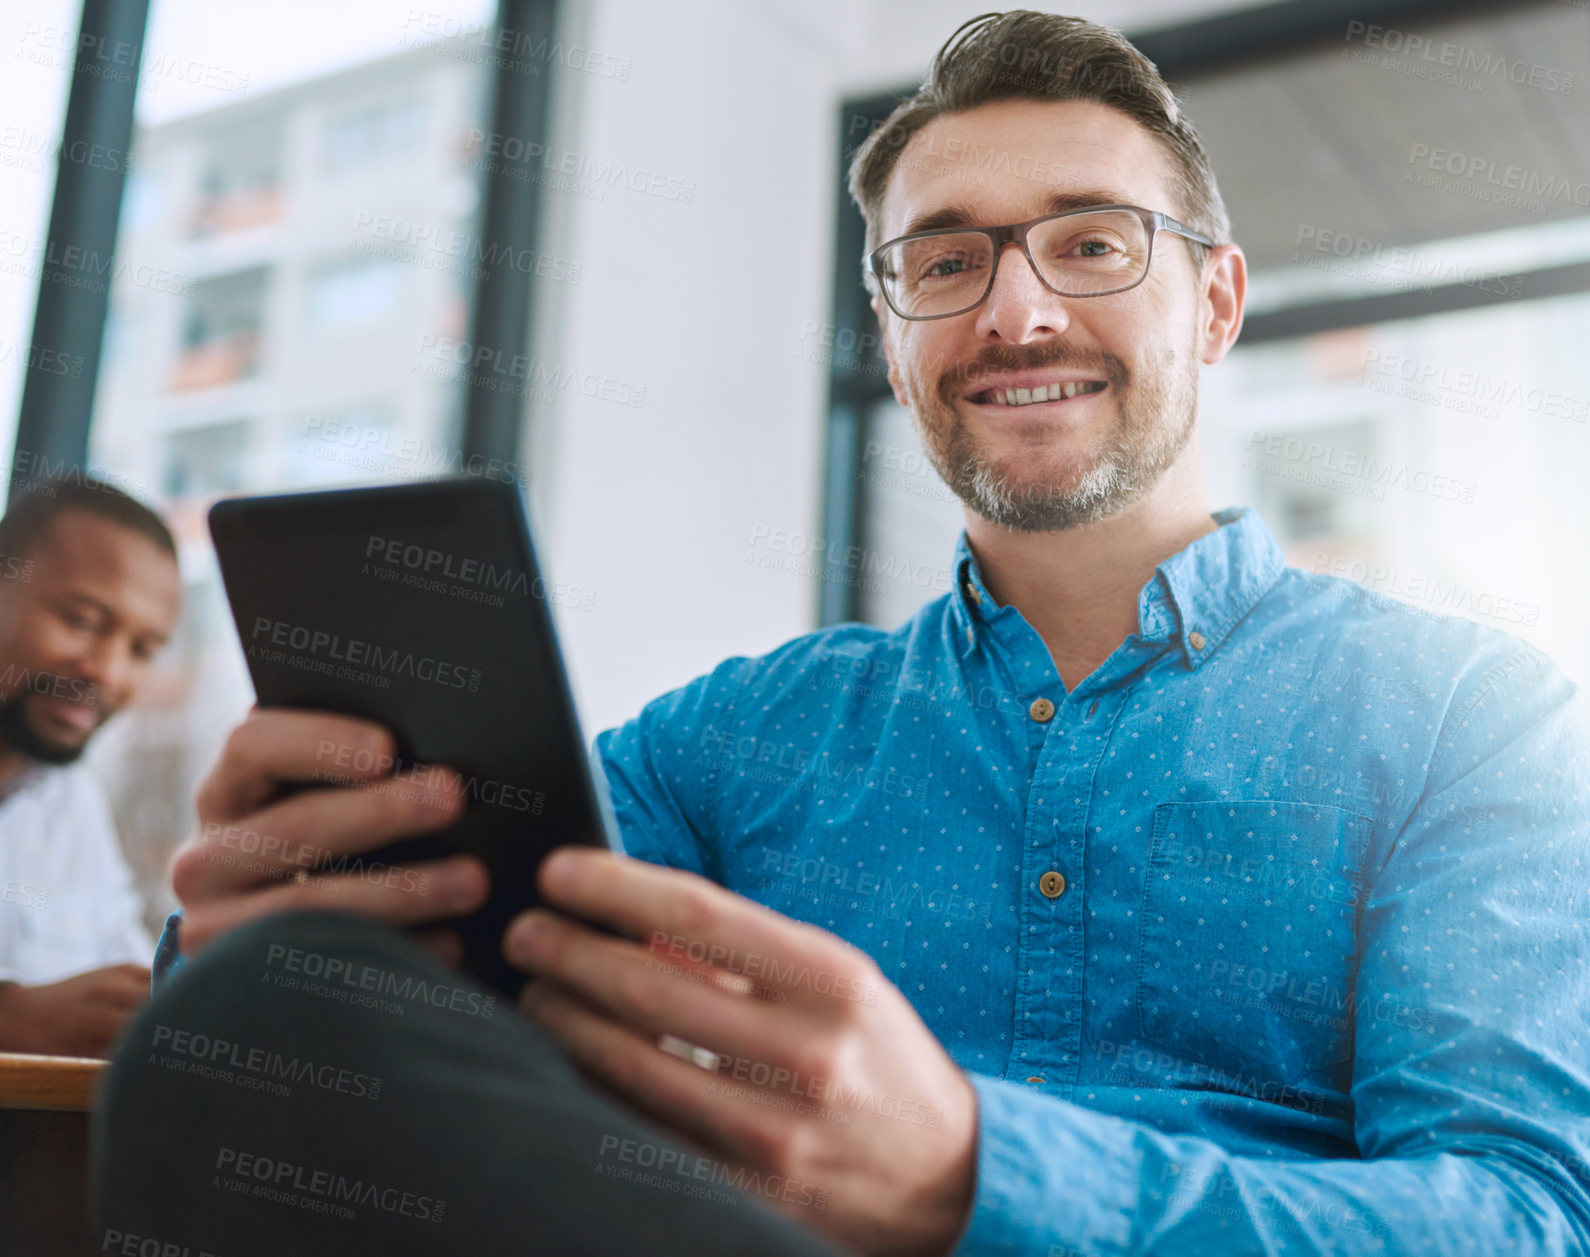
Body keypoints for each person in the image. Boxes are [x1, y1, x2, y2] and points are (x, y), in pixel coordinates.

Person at [95, 10, 1590, 1257]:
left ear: (1215, 303)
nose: (1014, 315)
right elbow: (442, 1001)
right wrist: (283, 905)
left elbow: (1525, 1215)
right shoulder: (739, 739)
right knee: (256, 1003)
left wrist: (973, 1171)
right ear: (889, 332)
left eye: (1090, 245)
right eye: (943, 263)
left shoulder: (1472, 711)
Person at [0, 475, 182, 1057]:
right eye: (81, 621)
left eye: (141, 650)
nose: (110, 672)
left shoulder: (69, 800)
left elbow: (125, 976)